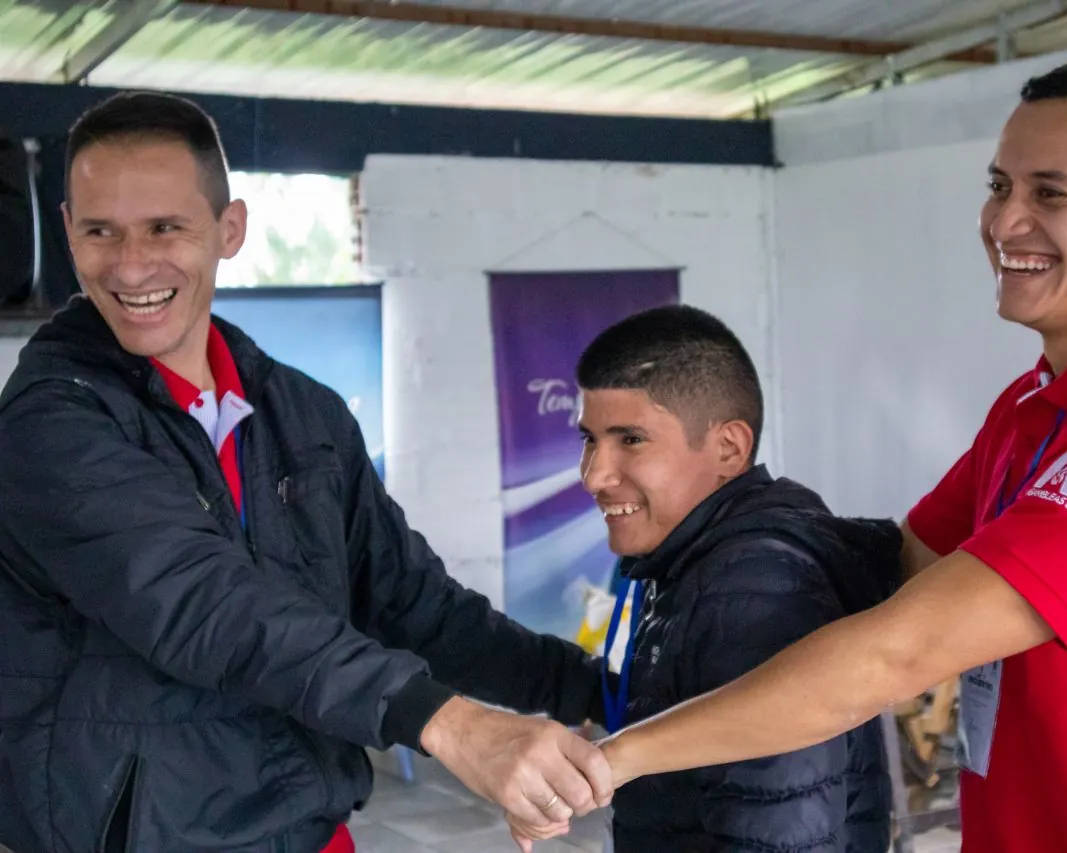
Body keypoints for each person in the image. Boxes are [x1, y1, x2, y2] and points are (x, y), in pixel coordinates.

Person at [527, 54, 1067, 852]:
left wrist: (610, 760)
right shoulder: (1036, 406)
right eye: (998, 186)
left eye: (1049, 194)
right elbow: (900, 562)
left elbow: (897, 651)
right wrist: (730, 528)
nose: (1004, 222)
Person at [0, 91, 612, 853]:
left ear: (230, 229)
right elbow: (208, 602)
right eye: (100, 231)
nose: (130, 265)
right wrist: (449, 722)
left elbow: (413, 601)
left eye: (164, 227)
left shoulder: (303, 413)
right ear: (66, 230)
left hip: (309, 831)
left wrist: (591, 688)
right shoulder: (50, 422)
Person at [513, 304, 898, 852]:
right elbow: (640, 696)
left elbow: (780, 838)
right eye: (589, 440)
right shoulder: (695, 560)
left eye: (631, 440)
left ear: (728, 448)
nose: (594, 475)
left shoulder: (754, 586)